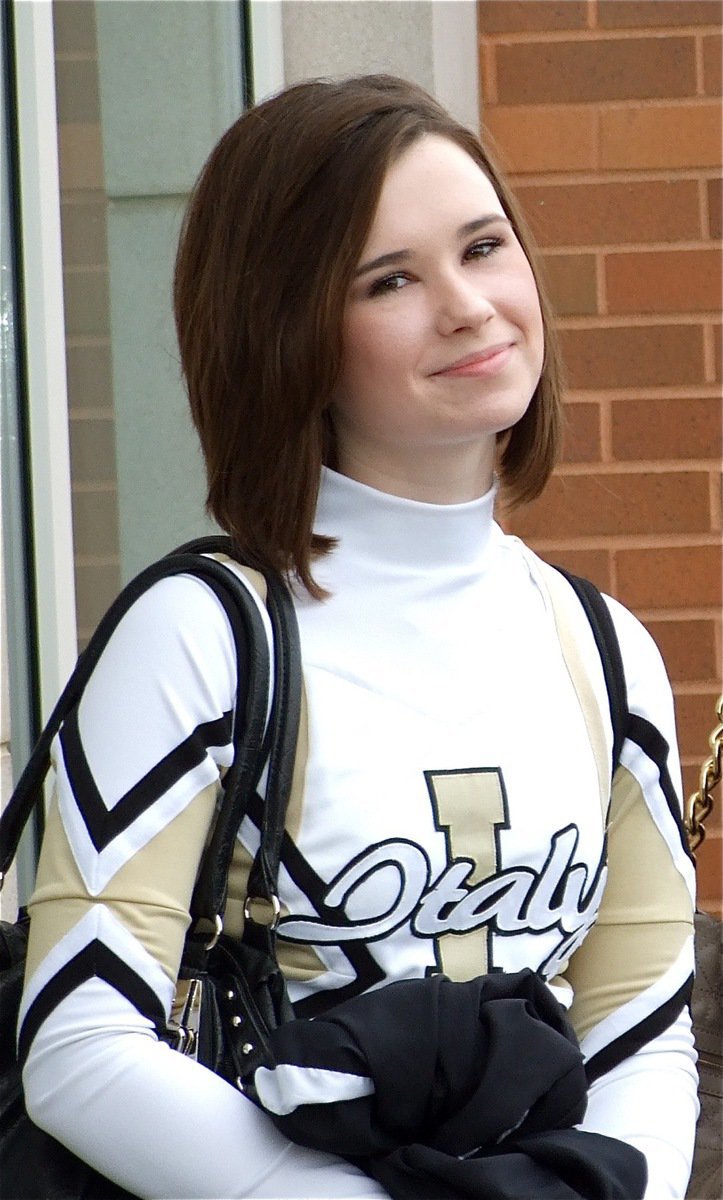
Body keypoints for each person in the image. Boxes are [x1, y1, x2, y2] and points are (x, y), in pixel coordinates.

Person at [19, 74, 698, 1198]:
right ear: (288, 332)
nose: (469, 305)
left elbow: (643, 1030)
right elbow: (80, 1048)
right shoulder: (197, 639)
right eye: (391, 280)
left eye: (484, 248)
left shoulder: (606, 649)